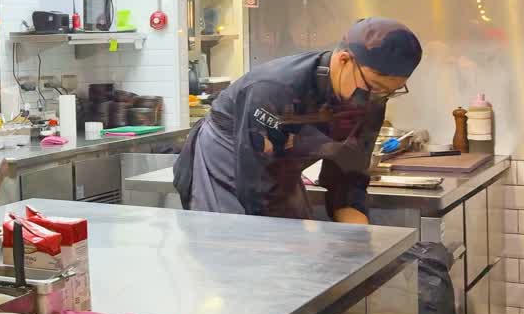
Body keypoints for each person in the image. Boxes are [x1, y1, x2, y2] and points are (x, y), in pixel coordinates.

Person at [174, 17, 422, 224]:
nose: (377, 98)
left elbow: (349, 172)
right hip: (228, 158)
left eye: (390, 91)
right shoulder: (275, 89)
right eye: (375, 87)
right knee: (238, 242)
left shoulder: (370, 98)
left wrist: (359, 235)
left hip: (278, 170)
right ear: (343, 60)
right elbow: (257, 183)